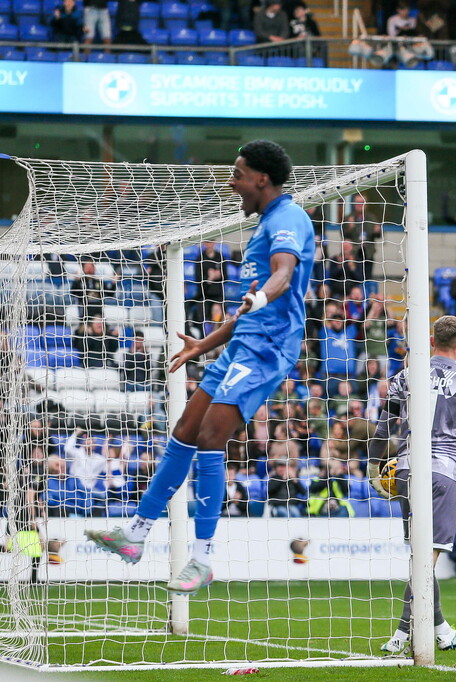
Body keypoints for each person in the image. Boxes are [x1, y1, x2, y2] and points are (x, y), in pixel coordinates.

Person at [85, 140, 316, 595]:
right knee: (184, 432)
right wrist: (203, 346)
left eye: (238, 174)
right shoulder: (266, 222)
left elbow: (284, 273)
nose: (232, 183)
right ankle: (134, 535)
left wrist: (262, 296)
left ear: (261, 179)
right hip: (243, 344)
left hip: (268, 349)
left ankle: (202, 557)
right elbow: (248, 311)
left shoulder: (288, 219)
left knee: (212, 437)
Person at [370, 315, 456, 655]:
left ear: (431, 340)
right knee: (427, 560)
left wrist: (372, 468)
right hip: (444, 472)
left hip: (407, 469)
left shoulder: (405, 376)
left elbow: (383, 430)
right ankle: (401, 634)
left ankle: (440, 628)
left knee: (420, 557)